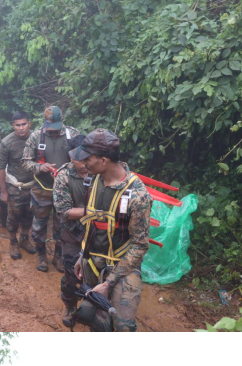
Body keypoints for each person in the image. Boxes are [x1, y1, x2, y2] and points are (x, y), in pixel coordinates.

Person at [69, 129, 153, 332]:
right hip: (93, 263)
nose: (83, 163)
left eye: (87, 159)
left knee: (123, 326)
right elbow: (91, 222)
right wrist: (83, 254)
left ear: (104, 160)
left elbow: (140, 245)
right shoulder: (92, 181)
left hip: (123, 268)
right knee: (97, 322)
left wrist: (110, 282)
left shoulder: (137, 196)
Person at [22, 106, 80, 272]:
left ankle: (58, 257)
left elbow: (83, 159)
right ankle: (41, 256)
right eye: (50, 129)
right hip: (43, 188)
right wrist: (41, 167)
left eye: (56, 129)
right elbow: (25, 161)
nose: (53, 132)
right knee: (39, 225)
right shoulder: (36, 136)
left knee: (62, 225)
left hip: (66, 191)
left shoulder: (72, 134)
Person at [52, 134, 92, 328]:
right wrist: (95, 212)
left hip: (100, 233)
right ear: (70, 157)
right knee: (71, 275)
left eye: (87, 158)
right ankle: (69, 306)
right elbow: (64, 211)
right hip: (74, 233)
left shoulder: (100, 171)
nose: (84, 164)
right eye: (79, 160)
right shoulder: (64, 176)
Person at [0, 112, 36, 260]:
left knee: (29, 214)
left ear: (29, 124)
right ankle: (13, 242)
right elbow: (1, 168)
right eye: (17, 125)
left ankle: (24, 239)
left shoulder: (36, 138)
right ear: (13, 126)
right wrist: (3, 191)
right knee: (14, 215)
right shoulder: (7, 142)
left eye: (24, 124)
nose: (21, 128)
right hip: (14, 185)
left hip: (32, 184)